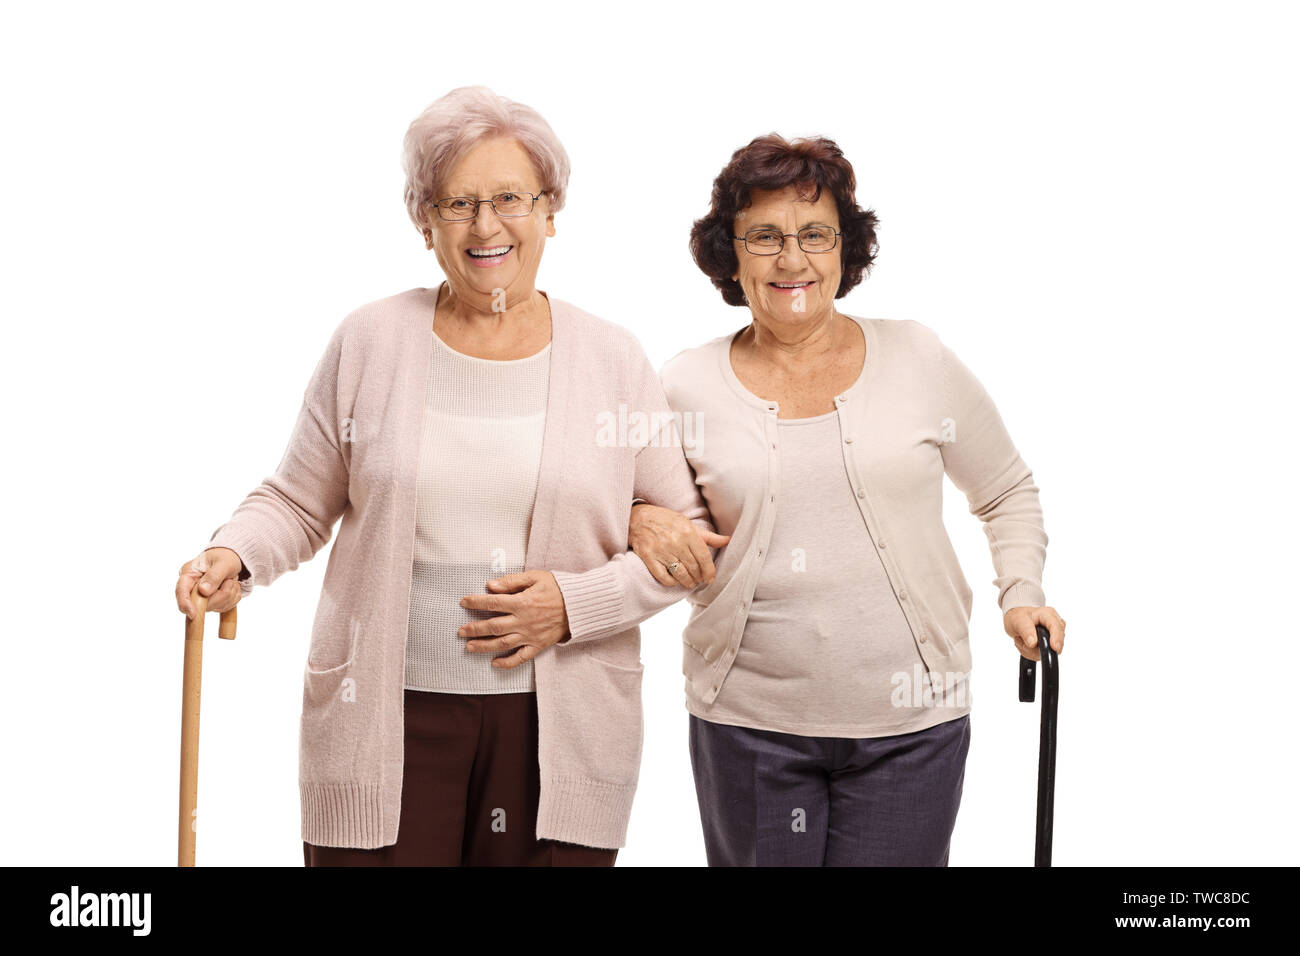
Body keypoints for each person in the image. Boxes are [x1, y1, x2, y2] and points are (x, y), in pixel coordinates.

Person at [173, 85, 726, 866]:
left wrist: (573, 605)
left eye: (510, 197)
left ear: (551, 210)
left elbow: (693, 549)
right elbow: (299, 499)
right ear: (424, 221)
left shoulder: (610, 358)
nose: (486, 225)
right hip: (386, 720)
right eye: (458, 202)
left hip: (557, 729)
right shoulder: (371, 341)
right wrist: (234, 554)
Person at [626, 133, 1065, 866]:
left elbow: (1006, 488)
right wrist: (641, 517)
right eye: (763, 236)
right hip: (748, 725)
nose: (791, 259)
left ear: (845, 248)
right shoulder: (682, 384)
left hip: (912, 727)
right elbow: (619, 501)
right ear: (730, 253)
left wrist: (1020, 593)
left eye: (813, 234)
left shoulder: (919, 358)